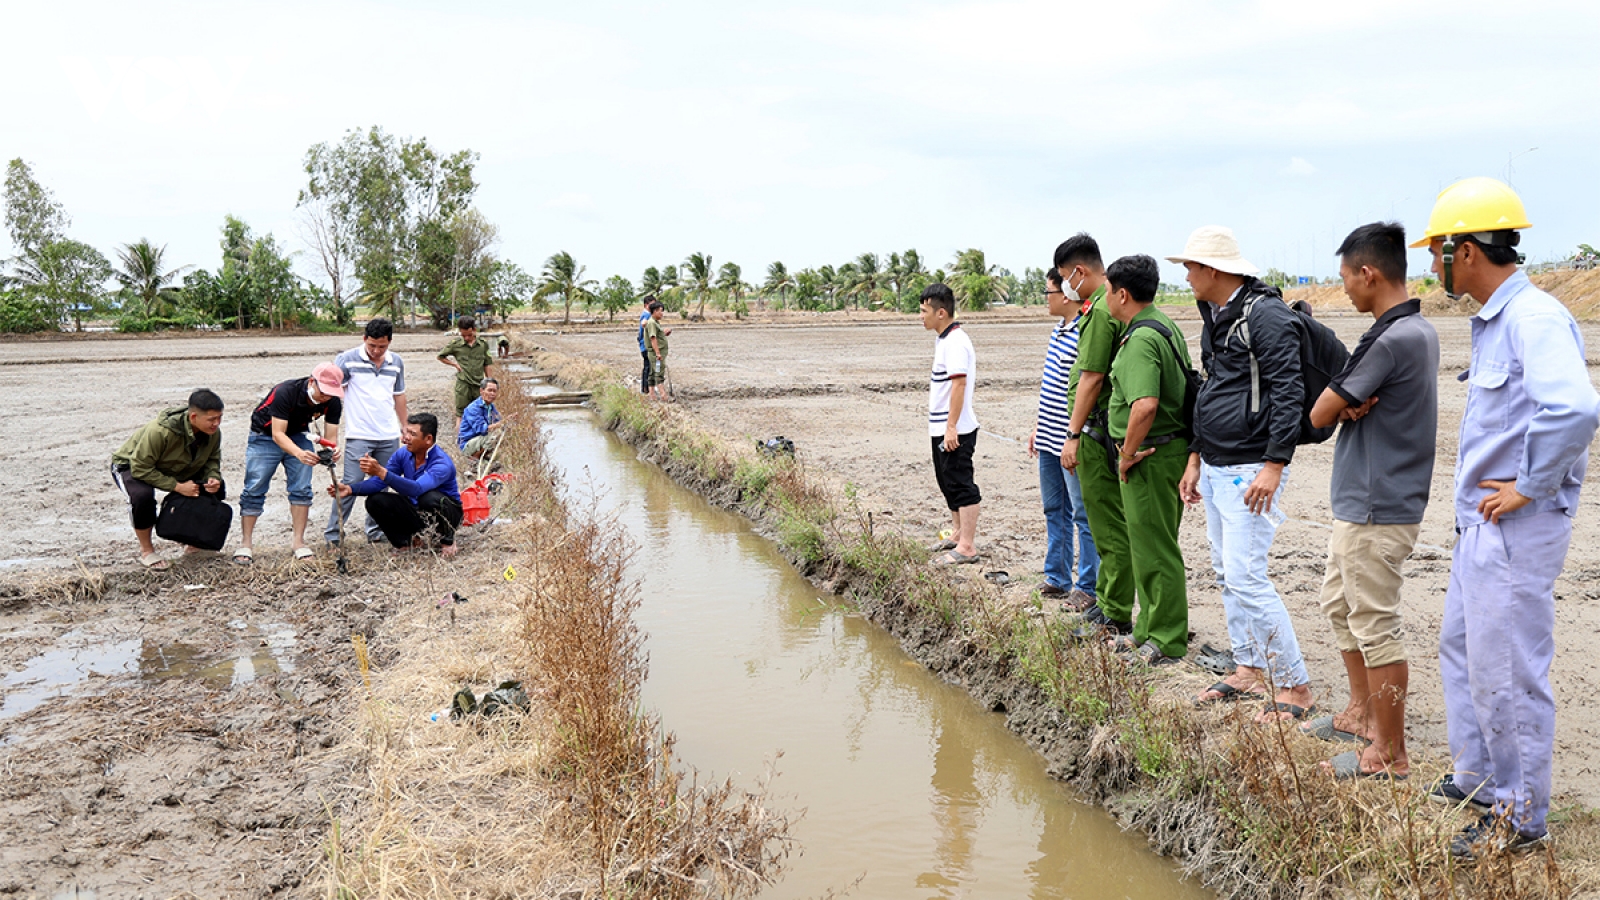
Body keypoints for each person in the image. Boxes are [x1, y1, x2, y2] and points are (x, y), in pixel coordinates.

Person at [1417, 178, 1599, 860]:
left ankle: (1520, 818)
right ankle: (1479, 780)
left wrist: (1529, 484)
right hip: (1482, 524)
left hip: (1515, 528)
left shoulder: (1533, 318)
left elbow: (1575, 409)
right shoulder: (1499, 319)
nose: (1432, 263)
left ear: (1465, 251)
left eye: (1437, 250)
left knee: (1508, 673)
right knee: (1463, 650)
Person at [1302, 222, 1439, 780]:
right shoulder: (1414, 330)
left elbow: (1319, 411)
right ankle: (1362, 714)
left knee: (1375, 624)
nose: (1345, 289)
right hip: (1366, 501)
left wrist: (1341, 402)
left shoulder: (1391, 339)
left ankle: (1389, 752)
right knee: (1340, 606)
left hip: (1377, 505)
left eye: (1346, 278)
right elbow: (1338, 400)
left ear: (1368, 273)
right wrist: (1346, 401)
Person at [1171, 225, 1316, 722]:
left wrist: (1275, 465)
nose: (1186, 276)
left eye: (1191, 267)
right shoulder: (1214, 314)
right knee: (1225, 572)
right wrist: (1195, 457)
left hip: (1252, 466)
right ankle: (1248, 667)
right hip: (1216, 463)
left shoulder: (1265, 315)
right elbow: (1210, 389)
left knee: (1246, 575)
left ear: (1213, 270)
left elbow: (1290, 390)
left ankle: (1295, 686)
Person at [1102, 254, 1193, 665]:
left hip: (1150, 455)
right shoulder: (1162, 325)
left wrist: (1126, 453)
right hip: (1164, 451)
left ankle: (1167, 639)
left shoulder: (1141, 339)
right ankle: (1147, 629)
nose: (1105, 298)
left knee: (1156, 547)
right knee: (1146, 545)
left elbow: (1144, 405)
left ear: (1122, 294)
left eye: (1107, 290)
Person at [1056, 234, 1133, 637]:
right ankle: (1107, 601)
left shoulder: (1102, 310)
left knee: (1106, 526)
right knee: (1104, 526)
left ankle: (1114, 610)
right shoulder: (1101, 305)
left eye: (1063, 277)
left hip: (1097, 431)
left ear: (1078, 271)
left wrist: (1072, 435)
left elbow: (1091, 378)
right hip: (1098, 428)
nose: (1063, 286)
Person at [1028, 266, 1098, 608]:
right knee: (1054, 509)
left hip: (1070, 440)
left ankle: (1088, 586)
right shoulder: (1058, 331)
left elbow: (1088, 387)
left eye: (1049, 292)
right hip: (1048, 437)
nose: (1046, 299)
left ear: (1067, 294)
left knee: (1083, 515)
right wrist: (1038, 428)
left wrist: (1074, 435)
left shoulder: (1085, 331)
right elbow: (1052, 388)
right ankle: (1057, 577)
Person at [235, 363, 345, 564]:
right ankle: (246, 543)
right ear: (311, 382)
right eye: (323, 391)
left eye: (331, 393)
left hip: (299, 433)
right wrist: (299, 453)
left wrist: (332, 450)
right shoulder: (286, 392)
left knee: (302, 488)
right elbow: (278, 434)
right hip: (264, 435)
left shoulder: (334, 402)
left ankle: (298, 542)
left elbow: (330, 438)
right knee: (255, 487)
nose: (326, 397)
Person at [110, 388, 227, 570]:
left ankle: (194, 545)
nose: (216, 423)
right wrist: (177, 486)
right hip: (132, 465)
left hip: (176, 465)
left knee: (213, 488)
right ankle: (147, 551)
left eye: (219, 418)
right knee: (141, 497)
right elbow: (140, 468)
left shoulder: (213, 433)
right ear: (193, 417)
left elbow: (212, 459)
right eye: (212, 419)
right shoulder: (160, 431)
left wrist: (213, 476)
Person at [331, 413, 464, 558]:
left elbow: (416, 489)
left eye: (412, 434)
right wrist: (350, 489)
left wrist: (381, 472)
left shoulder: (442, 463)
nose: (405, 438)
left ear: (428, 439)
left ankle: (447, 540)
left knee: (429, 498)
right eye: (406, 432)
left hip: (447, 512)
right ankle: (406, 543)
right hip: (417, 510)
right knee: (375, 501)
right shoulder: (403, 454)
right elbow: (379, 482)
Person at [325, 317, 408, 546]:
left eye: (382, 346)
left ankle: (375, 531)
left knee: (382, 483)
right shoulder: (347, 360)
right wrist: (331, 435)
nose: (376, 351)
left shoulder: (396, 362)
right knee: (350, 483)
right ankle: (334, 536)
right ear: (364, 339)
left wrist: (404, 425)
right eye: (372, 345)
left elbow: (399, 395)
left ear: (390, 342)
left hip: (388, 435)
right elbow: (334, 394)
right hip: (359, 435)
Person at [920, 283, 981, 565]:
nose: (921, 316)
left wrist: (951, 427)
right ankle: (957, 534)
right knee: (947, 481)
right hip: (942, 427)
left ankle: (967, 546)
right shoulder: (943, 340)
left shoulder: (956, 341)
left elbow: (959, 385)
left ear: (941, 312)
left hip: (956, 428)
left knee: (960, 483)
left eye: (924, 311)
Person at [437, 315, 495, 416]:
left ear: (474, 330)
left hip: (478, 385)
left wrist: (489, 382)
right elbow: (440, 356)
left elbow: (487, 363)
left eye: (469, 335)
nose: (466, 338)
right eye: (463, 335)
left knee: (480, 413)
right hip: (463, 385)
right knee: (461, 414)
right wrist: (454, 364)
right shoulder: (456, 344)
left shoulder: (483, 344)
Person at [458, 377, 506, 459]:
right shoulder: (473, 408)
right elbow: (482, 429)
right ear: (481, 391)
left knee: (502, 432)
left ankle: (482, 456)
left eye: (494, 391)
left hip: (480, 440)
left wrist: (507, 423)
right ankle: (474, 458)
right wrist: (502, 423)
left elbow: (498, 421)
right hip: (467, 444)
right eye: (489, 390)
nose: (492, 394)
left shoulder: (491, 406)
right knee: (496, 434)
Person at [643, 300, 672, 402]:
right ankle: (663, 396)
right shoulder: (652, 323)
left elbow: (657, 336)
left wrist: (664, 334)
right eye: (660, 311)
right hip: (656, 354)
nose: (662, 313)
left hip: (656, 353)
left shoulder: (655, 322)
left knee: (652, 372)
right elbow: (653, 338)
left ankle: (652, 395)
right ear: (655, 311)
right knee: (659, 372)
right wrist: (658, 353)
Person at [637, 296, 655, 394]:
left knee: (648, 367)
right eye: (652, 304)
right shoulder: (647, 315)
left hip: (644, 345)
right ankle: (646, 389)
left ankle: (646, 389)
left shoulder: (646, 314)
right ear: (646, 305)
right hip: (647, 346)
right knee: (648, 368)